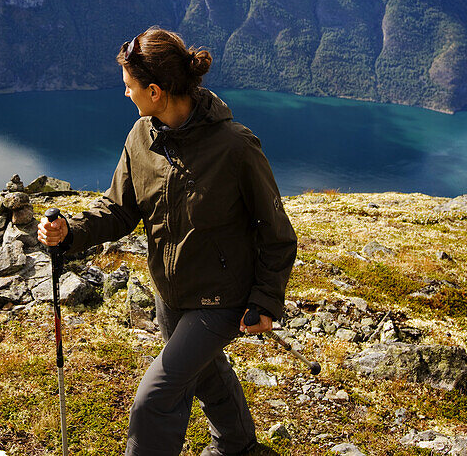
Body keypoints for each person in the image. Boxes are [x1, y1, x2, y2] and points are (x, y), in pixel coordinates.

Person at [38, 27, 297, 456]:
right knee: (205, 371)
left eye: (129, 87)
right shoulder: (142, 137)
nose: (125, 95)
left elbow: (277, 233)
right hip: (170, 294)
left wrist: (266, 300)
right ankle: (238, 446)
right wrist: (71, 233)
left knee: (153, 402)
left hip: (222, 298)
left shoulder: (235, 147)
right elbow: (120, 210)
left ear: (155, 91)